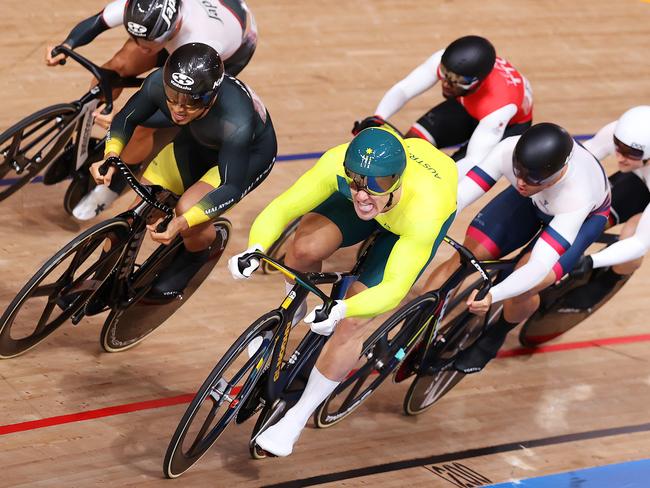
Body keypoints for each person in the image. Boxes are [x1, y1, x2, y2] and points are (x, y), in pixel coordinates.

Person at [228, 127, 457, 456]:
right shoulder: (337, 164)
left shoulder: (428, 208)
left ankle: (297, 417)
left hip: (405, 222)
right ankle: (293, 311)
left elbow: (394, 288)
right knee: (304, 248)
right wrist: (256, 248)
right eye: (355, 180)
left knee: (352, 325)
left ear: (397, 180)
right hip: (387, 204)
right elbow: (282, 208)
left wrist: (343, 310)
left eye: (376, 185)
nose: (363, 194)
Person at [91, 42, 276, 299]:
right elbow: (127, 118)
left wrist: (181, 223)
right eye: (173, 97)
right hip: (199, 139)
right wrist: (110, 155)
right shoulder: (160, 83)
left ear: (211, 97)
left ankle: (194, 257)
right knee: (137, 211)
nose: (178, 108)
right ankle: (98, 280)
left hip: (248, 155)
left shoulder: (236, 121)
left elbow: (231, 186)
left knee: (188, 212)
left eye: (190, 102)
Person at [422, 123, 611, 373]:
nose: (521, 182)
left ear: (557, 172)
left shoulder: (577, 196)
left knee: (524, 285)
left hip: (583, 218)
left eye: (530, 177)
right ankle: (418, 329)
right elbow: (459, 196)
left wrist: (493, 295)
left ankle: (492, 339)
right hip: (535, 199)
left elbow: (538, 264)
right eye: (517, 171)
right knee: (465, 257)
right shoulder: (509, 151)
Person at [45, 0, 258, 220]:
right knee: (118, 65)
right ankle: (96, 121)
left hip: (228, 49)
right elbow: (99, 21)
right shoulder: (144, 10)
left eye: (148, 42)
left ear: (174, 27)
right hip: (198, 24)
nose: (140, 45)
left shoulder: (203, 41)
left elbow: (178, 113)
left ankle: (114, 184)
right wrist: (68, 44)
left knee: (145, 125)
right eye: (136, 36)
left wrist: (129, 117)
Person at [352, 35, 533, 176]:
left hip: (507, 125)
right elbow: (404, 89)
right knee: (409, 146)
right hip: (468, 103)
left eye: (456, 81)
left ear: (478, 82)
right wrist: (379, 116)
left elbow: (473, 160)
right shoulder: (449, 65)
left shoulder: (500, 106)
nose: (446, 83)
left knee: (453, 179)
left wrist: (437, 179)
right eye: (445, 74)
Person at [562, 106, 650, 309]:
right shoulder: (617, 134)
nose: (620, 156)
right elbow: (577, 163)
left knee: (632, 236)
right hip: (638, 177)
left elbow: (640, 242)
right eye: (618, 146)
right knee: (589, 219)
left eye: (631, 153)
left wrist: (592, 261)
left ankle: (606, 282)